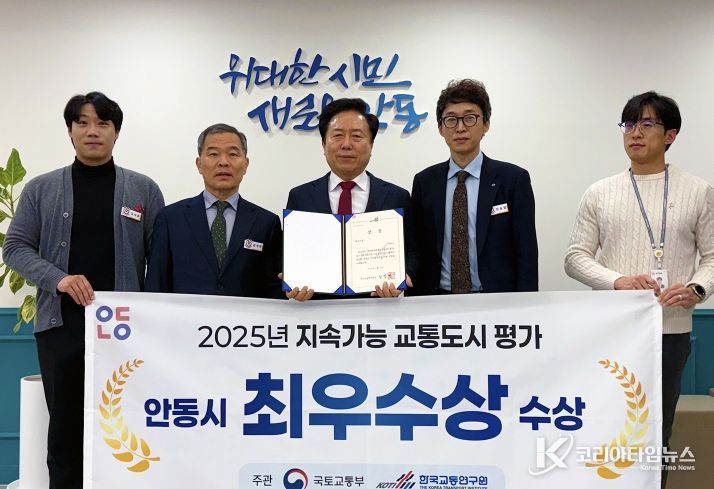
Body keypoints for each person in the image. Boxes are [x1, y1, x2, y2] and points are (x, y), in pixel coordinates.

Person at [2, 92, 164, 488]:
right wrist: (58, 278)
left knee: (125, 424)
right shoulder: (41, 189)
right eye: (83, 123)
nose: (93, 131)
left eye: (103, 123)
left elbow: (160, 258)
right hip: (62, 327)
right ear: (70, 131)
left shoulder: (143, 189)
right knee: (65, 431)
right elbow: (15, 247)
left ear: (116, 132)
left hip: (125, 332)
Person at [564, 91, 714, 487]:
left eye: (647, 124)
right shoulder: (600, 192)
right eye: (629, 124)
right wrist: (617, 281)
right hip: (611, 333)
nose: (635, 133)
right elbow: (575, 258)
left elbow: (713, 256)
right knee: (606, 427)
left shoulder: (698, 190)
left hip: (670, 330)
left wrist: (697, 289)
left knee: (656, 433)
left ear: (671, 135)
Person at [411, 79, 538, 295]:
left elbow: (526, 253)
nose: (460, 128)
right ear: (441, 128)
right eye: (451, 119)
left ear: (486, 124)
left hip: (497, 300)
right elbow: (417, 248)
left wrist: (526, 304)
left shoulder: (514, 179)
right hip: (436, 300)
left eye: (470, 118)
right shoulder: (425, 182)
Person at [285, 97, 416, 300]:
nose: (346, 145)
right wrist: (290, 278)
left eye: (356, 136)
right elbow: (288, 253)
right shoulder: (300, 197)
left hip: (378, 309)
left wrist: (403, 277)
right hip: (316, 311)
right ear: (323, 144)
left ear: (371, 145)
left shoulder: (396, 197)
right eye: (337, 135)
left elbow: (413, 252)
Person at [145, 123, 282, 298]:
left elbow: (273, 289)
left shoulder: (266, 223)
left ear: (246, 164)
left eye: (233, 154)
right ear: (199, 164)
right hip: (185, 316)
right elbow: (156, 284)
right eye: (213, 154)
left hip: (244, 316)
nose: (223, 162)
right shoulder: (171, 218)